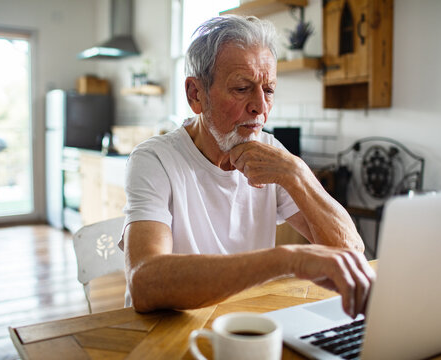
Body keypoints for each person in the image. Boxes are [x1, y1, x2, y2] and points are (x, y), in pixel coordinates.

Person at [120, 15, 375, 318]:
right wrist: (286, 260)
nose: (261, 107)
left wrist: (297, 173)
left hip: (247, 325)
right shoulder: (155, 160)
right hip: (170, 329)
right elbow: (144, 283)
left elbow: (350, 251)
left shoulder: (273, 155)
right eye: (242, 88)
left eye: (268, 90)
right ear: (196, 95)